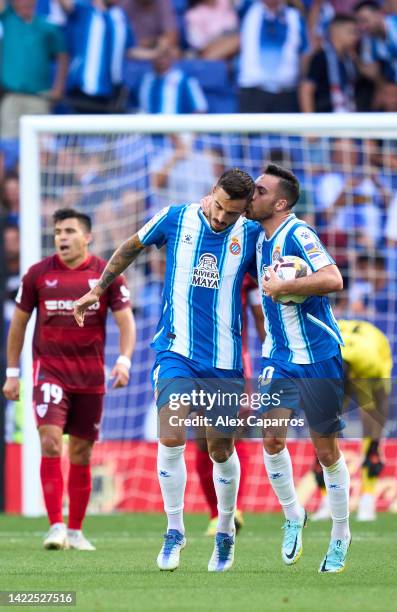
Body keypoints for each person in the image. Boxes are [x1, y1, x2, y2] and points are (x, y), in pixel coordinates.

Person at [73, 169, 259, 573]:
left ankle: (225, 530)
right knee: (171, 432)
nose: (221, 219)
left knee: (220, 449)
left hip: (224, 362)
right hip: (175, 351)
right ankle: (174, 530)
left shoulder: (253, 235)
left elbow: (272, 285)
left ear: (245, 210)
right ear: (212, 193)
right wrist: (98, 287)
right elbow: (131, 246)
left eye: (232, 214)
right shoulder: (175, 217)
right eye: (219, 208)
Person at [2, 208, 135, 551]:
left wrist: (123, 361)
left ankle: (75, 531)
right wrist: (13, 373)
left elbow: (125, 322)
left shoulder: (107, 276)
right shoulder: (37, 275)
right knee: (49, 442)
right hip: (50, 371)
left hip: (90, 377)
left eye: (69, 230)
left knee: (81, 452)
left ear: (87, 237)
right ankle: (55, 526)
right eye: (58, 231)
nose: (61, 236)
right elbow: (18, 324)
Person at [248, 163, 351, 574]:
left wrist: (286, 286)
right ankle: (294, 514)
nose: (251, 196)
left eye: (259, 190)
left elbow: (334, 278)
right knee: (271, 438)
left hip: (320, 356)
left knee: (326, 450)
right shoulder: (257, 234)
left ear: (280, 202)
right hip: (279, 356)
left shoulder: (298, 233)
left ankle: (341, 533)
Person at [197, 273, 265, 536]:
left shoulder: (247, 267)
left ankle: (234, 509)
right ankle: (215, 514)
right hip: (195, 360)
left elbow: (259, 317)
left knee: (235, 434)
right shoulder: (193, 253)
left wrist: (273, 355)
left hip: (235, 363)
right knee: (203, 439)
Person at [312, 319, 392, 522]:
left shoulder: (369, 363)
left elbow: (378, 409)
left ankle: (367, 500)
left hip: (374, 354)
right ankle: (325, 502)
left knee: (372, 430)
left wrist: (375, 440)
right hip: (339, 350)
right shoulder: (318, 355)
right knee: (323, 432)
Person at [58, 0, 159, 113]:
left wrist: (155, 54)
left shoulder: (120, 16)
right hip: (84, 87)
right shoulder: (84, 9)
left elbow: (129, 49)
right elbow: (65, 4)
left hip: (111, 90)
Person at [0, 0, 68, 139]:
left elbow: (63, 55)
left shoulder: (47, 26)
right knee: (8, 145)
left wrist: (59, 88)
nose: (25, 3)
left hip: (39, 97)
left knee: (41, 146)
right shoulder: (7, 20)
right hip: (10, 97)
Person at [238, 0, 309, 113]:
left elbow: (304, 53)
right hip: (252, 91)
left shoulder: (295, 16)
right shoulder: (247, 8)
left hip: (286, 93)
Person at [300, 14, 359, 113]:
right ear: (335, 32)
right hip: (325, 120)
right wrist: (310, 123)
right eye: (351, 32)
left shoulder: (349, 60)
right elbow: (306, 90)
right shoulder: (320, 57)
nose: (355, 37)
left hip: (347, 116)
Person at [138, 45, 208, 114]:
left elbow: (200, 109)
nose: (161, 60)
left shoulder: (185, 80)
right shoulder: (144, 80)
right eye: (158, 56)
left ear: (171, 59)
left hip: (175, 124)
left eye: (165, 56)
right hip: (147, 124)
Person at [354, 0, 397, 89]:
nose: (362, 27)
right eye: (359, 23)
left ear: (380, 14)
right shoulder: (368, 41)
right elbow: (371, 70)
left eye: (365, 20)